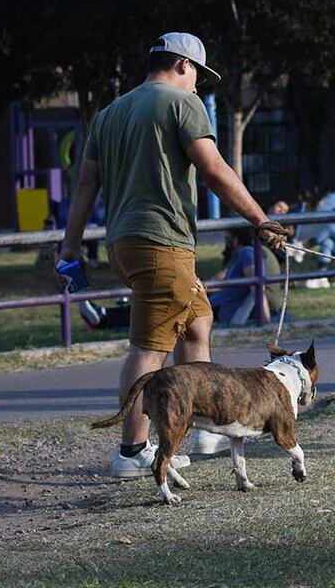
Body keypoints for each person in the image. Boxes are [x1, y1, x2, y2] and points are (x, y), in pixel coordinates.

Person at [58, 32, 287, 475]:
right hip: (162, 242)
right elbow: (214, 169)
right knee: (148, 348)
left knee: (197, 322)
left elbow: (86, 185)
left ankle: (203, 425)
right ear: (184, 65)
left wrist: (70, 249)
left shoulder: (108, 114)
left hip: (126, 243)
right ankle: (132, 452)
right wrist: (261, 220)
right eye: (199, 75)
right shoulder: (183, 104)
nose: (199, 86)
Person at [208, 227, 282, 327]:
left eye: (229, 236)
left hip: (229, 310)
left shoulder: (247, 253)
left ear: (236, 239)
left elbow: (258, 288)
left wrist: (265, 321)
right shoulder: (244, 254)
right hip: (222, 305)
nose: (226, 240)